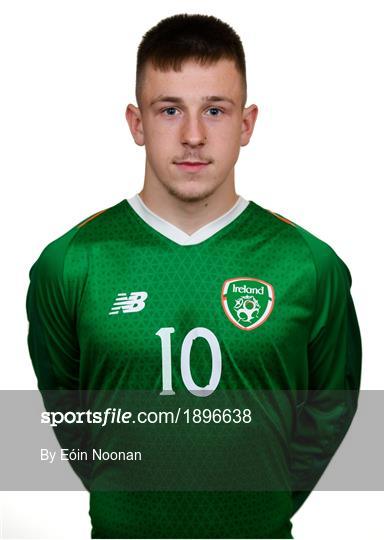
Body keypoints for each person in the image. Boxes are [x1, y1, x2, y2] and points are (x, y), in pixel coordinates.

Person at [26, 13, 362, 539]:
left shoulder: (308, 264)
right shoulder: (70, 262)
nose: (193, 136)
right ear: (137, 123)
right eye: (169, 110)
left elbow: (331, 406)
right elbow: (65, 402)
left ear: (246, 124)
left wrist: (262, 499)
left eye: (214, 109)